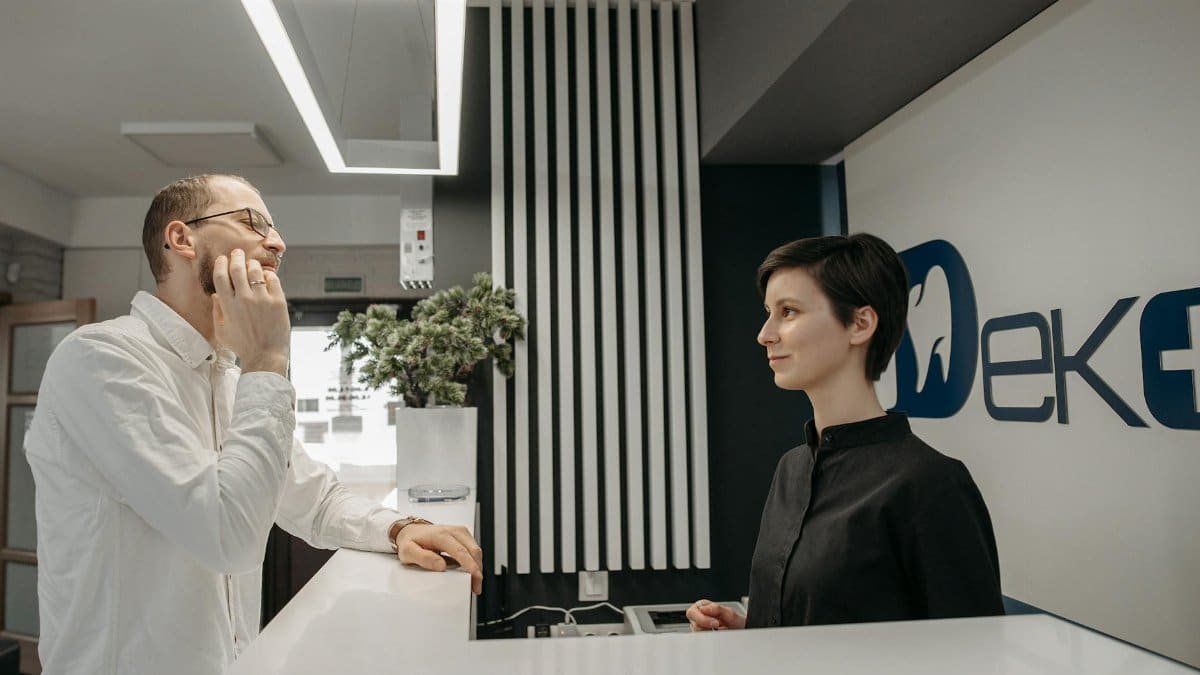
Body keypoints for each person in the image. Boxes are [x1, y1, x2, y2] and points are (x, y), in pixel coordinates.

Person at [25, 174, 484, 674]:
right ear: (181, 238)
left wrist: (399, 528)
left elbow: (312, 497)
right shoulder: (102, 359)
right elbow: (228, 537)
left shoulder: (224, 371)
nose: (278, 243)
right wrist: (266, 358)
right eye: (252, 222)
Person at [687, 233, 1003, 631]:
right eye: (768, 311)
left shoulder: (930, 483)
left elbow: (975, 656)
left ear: (860, 323)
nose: (765, 334)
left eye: (788, 312)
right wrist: (753, 634)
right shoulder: (792, 467)